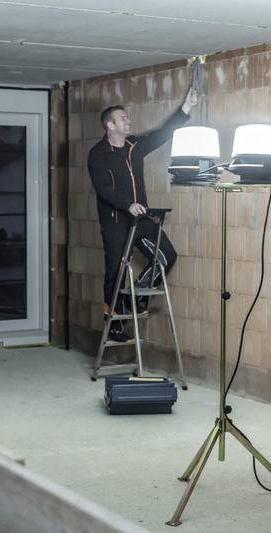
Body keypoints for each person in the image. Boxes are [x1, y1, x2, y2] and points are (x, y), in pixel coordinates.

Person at [87, 86, 199, 341]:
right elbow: (103, 188)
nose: (128, 121)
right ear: (110, 125)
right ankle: (114, 324)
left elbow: (163, 133)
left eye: (127, 117)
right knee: (115, 271)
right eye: (123, 118)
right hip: (116, 223)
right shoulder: (98, 154)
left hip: (141, 219)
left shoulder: (134, 146)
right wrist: (127, 204)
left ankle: (135, 294)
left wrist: (186, 107)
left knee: (167, 255)